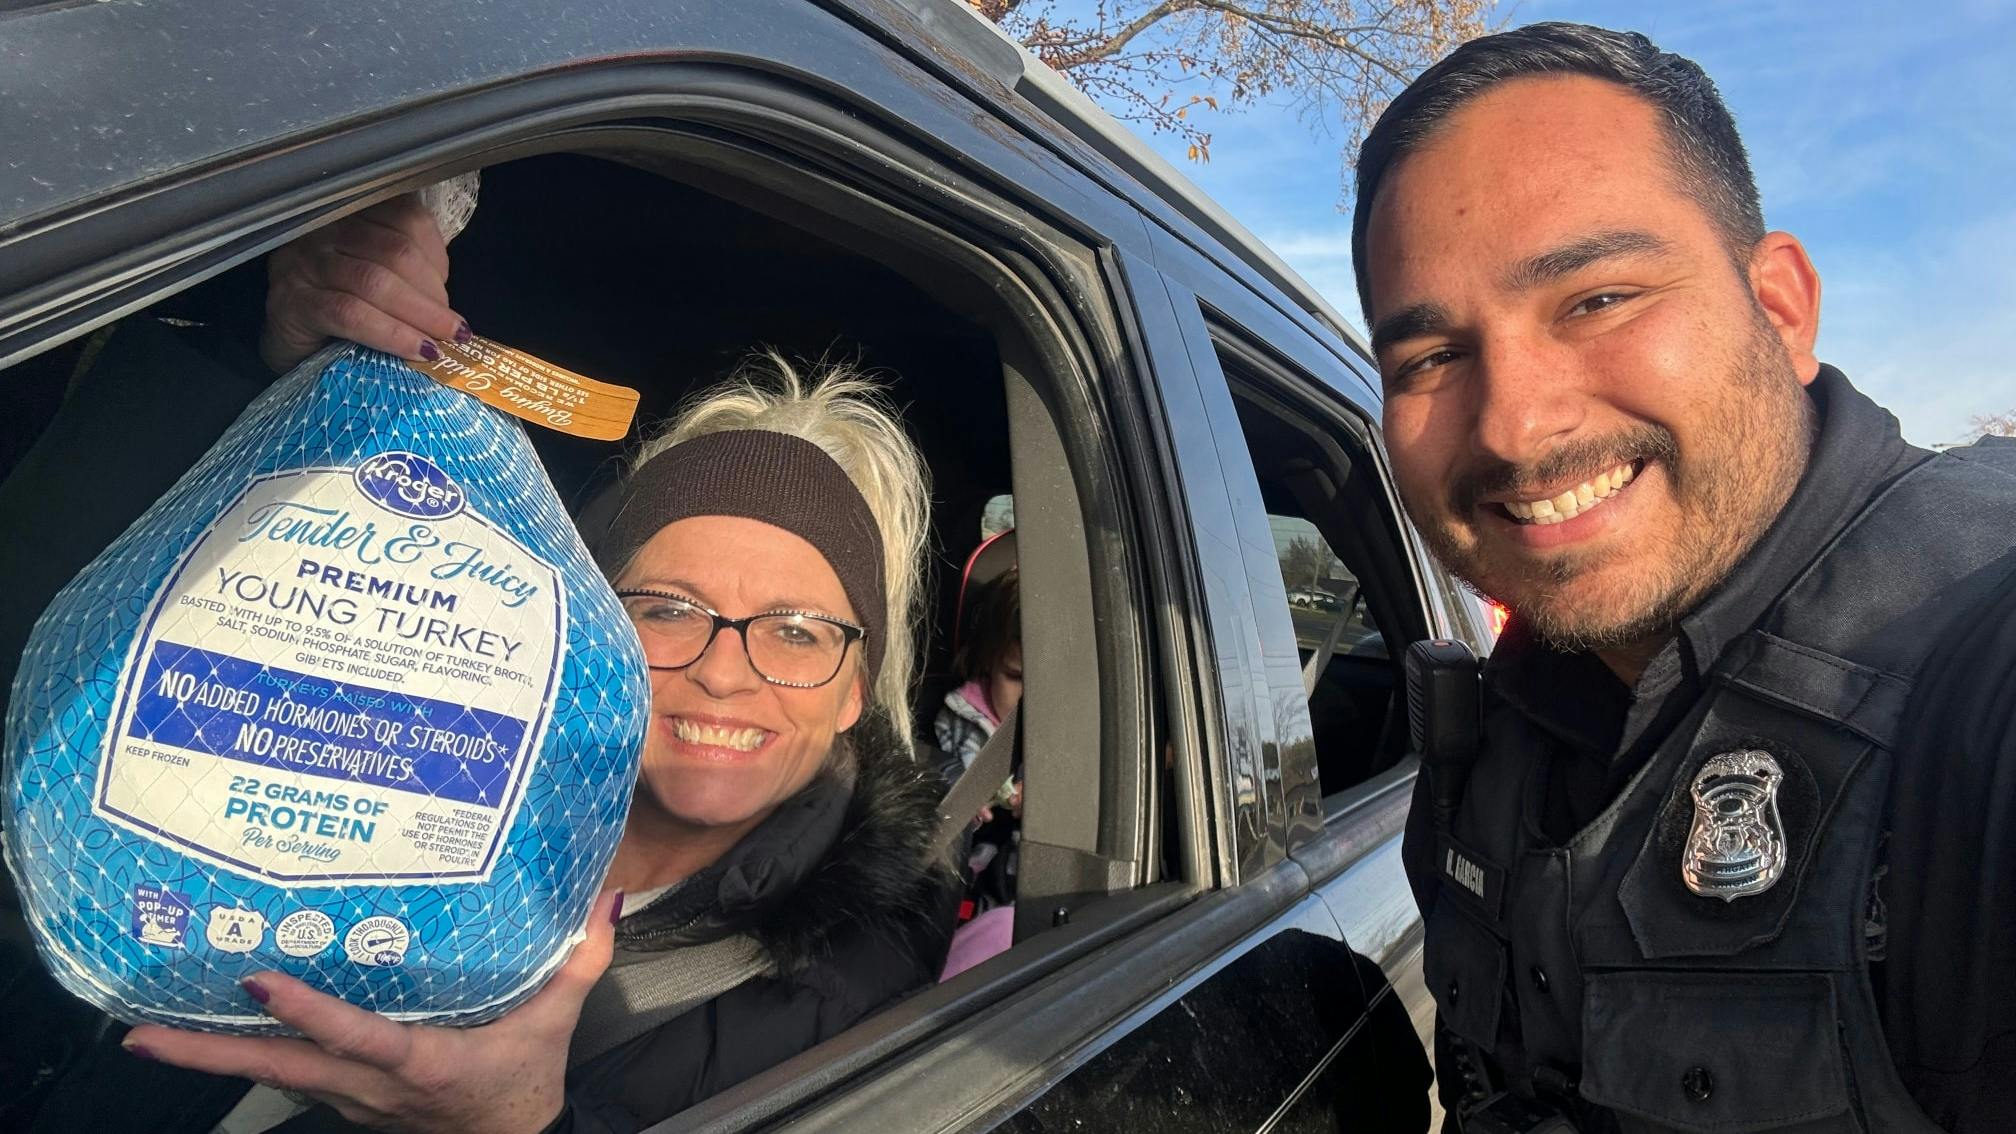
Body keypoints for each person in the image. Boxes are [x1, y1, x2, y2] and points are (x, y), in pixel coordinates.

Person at [60, 207, 960, 1131]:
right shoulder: (413, 759)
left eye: (798, 633)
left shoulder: (861, 994)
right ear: (586, 640)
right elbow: (101, 621)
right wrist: (270, 366)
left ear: (856, 688)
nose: (727, 673)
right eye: (667, 610)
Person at [1354, 21, 2016, 1132]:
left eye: (1598, 298)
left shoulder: (1977, 669)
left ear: (1782, 307)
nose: (1514, 428)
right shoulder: (1488, 741)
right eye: (1430, 358)